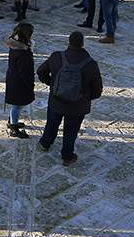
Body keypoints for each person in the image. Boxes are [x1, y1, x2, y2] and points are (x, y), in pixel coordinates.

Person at [35, 31, 104, 162]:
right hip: (78, 106)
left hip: (56, 100)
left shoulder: (56, 57)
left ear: (69, 42)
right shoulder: (91, 64)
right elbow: (97, 89)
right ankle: (67, 155)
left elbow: (40, 71)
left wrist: (52, 83)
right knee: (71, 131)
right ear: (82, 44)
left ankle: (45, 143)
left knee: (52, 123)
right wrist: (86, 97)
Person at [3, 22, 35, 138]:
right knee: (17, 105)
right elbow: (25, 72)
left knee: (16, 104)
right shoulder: (23, 53)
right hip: (19, 83)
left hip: (13, 78)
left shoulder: (15, 45)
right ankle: (13, 127)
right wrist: (30, 85)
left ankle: (12, 121)